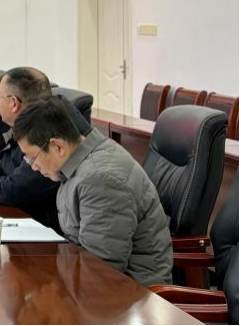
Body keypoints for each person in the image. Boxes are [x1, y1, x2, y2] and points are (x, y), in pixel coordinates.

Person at [13, 97, 172, 286]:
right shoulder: (82, 160)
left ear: (57, 146)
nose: (33, 167)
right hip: (94, 280)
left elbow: (100, 270)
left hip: (133, 292)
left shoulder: (99, 180)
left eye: (32, 158)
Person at [0, 67, 91, 230]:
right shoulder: (30, 123)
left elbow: (14, 190)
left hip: (47, 229)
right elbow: (7, 167)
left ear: (13, 103)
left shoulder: (49, 129)